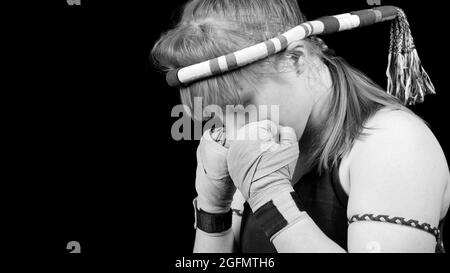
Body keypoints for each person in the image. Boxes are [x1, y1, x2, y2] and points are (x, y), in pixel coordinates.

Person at [152, 0, 450, 252]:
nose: (232, 132)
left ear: (295, 59)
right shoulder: (257, 143)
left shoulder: (393, 142)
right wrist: (212, 212)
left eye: (242, 107)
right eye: (216, 114)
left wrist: (276, 206)